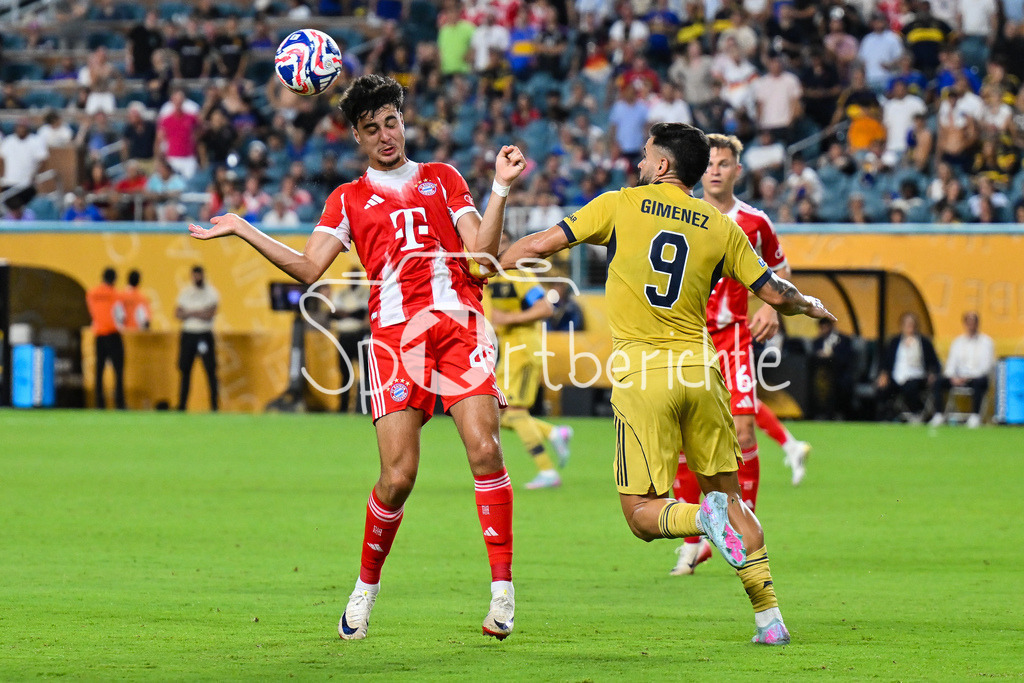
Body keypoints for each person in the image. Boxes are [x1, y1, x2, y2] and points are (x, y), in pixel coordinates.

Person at [187, 74, 527, 641]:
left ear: (402, 121)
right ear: (358, 138)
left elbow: (484, 256)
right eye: (371, 128)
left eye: (390, 122)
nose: (385, 135)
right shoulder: (346, 199)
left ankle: (502, 594)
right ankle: (363, 591)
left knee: (485, 449)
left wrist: (500, 189)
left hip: (459, 330)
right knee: (398, 477)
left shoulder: (444, 180)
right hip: (396, 341)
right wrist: (243, 227)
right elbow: (306, 268)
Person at [497, 122, 835, 645]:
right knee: (735, 500)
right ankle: (770, 620)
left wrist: (490, 262)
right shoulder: (721, 226)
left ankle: (703, 519)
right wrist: (811, 306)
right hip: (703, 372)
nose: (637, 164)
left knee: (640, 514)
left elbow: (536, 246)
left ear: (661, 165)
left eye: (644, 156)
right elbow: (776, 293)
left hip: (644, 375)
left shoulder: (619, 204)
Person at [667, 134, 811, 578]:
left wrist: (770, 305)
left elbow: (780, 269)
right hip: (687, 337)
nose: (715, 170)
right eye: (710, 163)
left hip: (732, 337)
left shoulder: (754, 221)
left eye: (724, 164)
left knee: (744, 431)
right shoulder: (681, 214)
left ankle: (745, 528)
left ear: (736, 171)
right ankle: (693, 542)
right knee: (683, 441)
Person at [486, 232, 574, 490]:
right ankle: (553, 433)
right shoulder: (493, 276)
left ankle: (547, 471)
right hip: (510, 351)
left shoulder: (518, 274)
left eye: (502, 243)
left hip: (524, 350)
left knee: (512, 411)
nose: (496, 247)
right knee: (500, 413)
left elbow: (546, 308)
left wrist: (508, 319)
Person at [929, 311, 994, 428]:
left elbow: (986, 366)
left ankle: (975, 415)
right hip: (958, 377)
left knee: (979, 382)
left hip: (976, 377)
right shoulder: (957, 342)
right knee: (938, 381)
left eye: (973, 322)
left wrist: (968, 377)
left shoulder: (986, 342)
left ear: (977, 324)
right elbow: (951, 364)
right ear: (964, 324)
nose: (971, 325)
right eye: (968, 322)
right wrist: (953, 377)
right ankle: (938, 414)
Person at [876, 312, 940, 421]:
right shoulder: (894, 342)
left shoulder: (924, 343)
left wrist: (932, 374)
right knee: (882, 387)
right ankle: (886, 416)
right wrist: (883, 374)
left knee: (911, 386)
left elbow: (934, 363)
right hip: (896, 376)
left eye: (912, 324)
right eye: (907, 324)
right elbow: (886, 361)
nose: (910, 327)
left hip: (916, 376)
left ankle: (915, 413)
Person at [175, 265, 219, 411]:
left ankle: (214, 406)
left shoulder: (211, 292)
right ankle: (182, 405)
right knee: (185, 370)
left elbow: (210, 314)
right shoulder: (186, 292)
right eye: (194, 275)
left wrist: (190, 312)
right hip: (188, 334)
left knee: (210, 370)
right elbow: (178, 313)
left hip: (204, 334)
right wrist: (200, 312)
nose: (196, 278)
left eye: (198, 275)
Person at [86, 267, 126, 409]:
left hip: (99, 335)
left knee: (99, 371)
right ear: (114, 279)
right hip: (113, 334)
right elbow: (120, 315)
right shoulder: (115, 294)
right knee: (118, 370)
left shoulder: (92, 293)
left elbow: (91, 312)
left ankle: (99, 403)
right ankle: (119, 403)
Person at [330, 280, 371, 414]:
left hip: (359, 335)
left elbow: (365, 314)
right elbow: (333, 312)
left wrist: (347, 314)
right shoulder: (342, 294)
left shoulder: (365, 292)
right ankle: (343, 408)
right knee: (345, 374)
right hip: (344, 336)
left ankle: (368, 407)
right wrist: (355, 313)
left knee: (366, 373)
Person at [810, 317, 854, 420]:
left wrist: (832, 356)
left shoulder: (843, 340)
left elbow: (847, 360)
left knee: (840, 384)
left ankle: (837, 413)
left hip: (839, 374)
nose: (823, 330)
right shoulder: (817, 342)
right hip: (821, 376)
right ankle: (818, 412)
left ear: (831, 327)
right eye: (821, 328)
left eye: (825, 327)